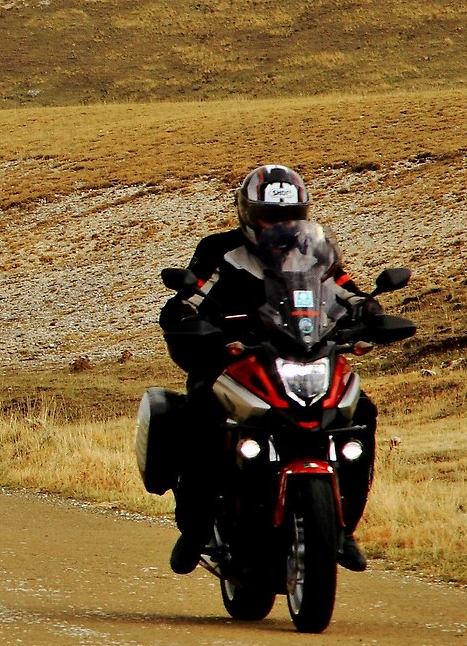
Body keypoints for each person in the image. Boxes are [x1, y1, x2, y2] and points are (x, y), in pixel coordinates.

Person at [157, 165, 378, 575]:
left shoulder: (317, 250)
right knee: (202, 413)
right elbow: (189, 295)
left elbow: (346, 290)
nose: (280, 224)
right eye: (269, 216)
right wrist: (193, 321)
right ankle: (195, 525)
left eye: (290, 215)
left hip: (304, 355)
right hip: (237, 359)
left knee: (361, 413)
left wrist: (370, 314)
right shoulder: (219, 250)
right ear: (247, 213)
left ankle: (342, 527)